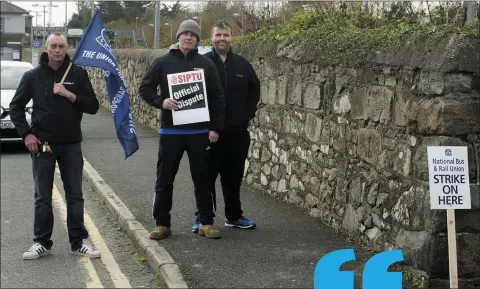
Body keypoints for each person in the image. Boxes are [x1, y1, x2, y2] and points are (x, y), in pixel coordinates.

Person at [9, 32, 101, 260]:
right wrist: (27, 135)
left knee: (75, 195)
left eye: (61, 46)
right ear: (46, 49)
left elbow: (93, 106)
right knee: (42, 196)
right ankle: (41, 242)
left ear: (67, 47)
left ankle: (78, 241)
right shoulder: (33, 76)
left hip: (71, 144)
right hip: (43, 145)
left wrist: (70, 94)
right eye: (53, 46)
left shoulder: (78, 74)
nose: (57, 50)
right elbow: (15, 107)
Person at [139, 19, 225, 240]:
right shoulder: (162, 62)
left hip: (199, 133)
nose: (188, 37)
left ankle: (206, 222)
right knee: (164, 179)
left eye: (193, 35)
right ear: (178, 36)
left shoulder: (206, 64)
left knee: (203, 179)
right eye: (185, 34)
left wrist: (215, 127)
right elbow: (145, 88)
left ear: (198, 39)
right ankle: (161, 224)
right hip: (171, 133)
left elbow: (217, 97)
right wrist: (161, 102)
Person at [191, 20, 261, 233]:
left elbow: (254, 91)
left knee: (233, 177)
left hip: (237, 133)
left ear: (232, 38)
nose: (222, 39)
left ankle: (234, 216)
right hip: (210, 133)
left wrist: (246, 115)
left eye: (226, 35)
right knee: (207, 178)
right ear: (211, 38)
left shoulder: (241, 63)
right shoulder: (201, 63)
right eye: (218, 35)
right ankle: (204, 219)